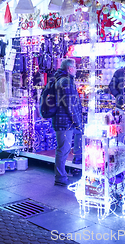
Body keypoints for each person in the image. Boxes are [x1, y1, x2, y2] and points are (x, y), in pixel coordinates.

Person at [51, 58, 83, 186]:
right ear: (70, 69)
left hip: (64, 121)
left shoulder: (61, 80)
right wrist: (78, 122)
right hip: (65, 122)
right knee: (63, 149)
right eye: (74, 68)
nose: (76, 70)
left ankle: (74, 162)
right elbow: (71, 105)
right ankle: (60, 177)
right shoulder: (66, 82)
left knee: (64, 147)